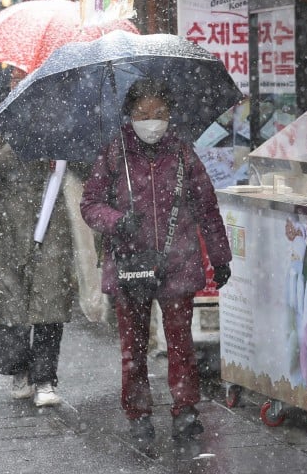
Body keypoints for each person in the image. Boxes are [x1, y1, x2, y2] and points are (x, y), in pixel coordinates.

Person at [80, 79, 232, 445]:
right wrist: (117, 221)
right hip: (130, 264)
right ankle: (138, 412)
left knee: (181, 341)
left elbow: (207, 208)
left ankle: (185, 408)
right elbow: (90, 205)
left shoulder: (183, 154)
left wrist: (220, 255)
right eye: (143, 114)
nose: (152, 121)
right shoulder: (114, 155)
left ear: (170, 115)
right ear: (129, 116)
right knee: (133, 347)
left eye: (159, 114)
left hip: (177, 262)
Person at [0, 67, 77, 408]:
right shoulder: (0, 117)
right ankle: (19, 370)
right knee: (12, 303)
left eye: (28, 75)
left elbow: (84, 164)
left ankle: (46, 377)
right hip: (9, 223)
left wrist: (61, 147)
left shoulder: (63, 115)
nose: (21, 82)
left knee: (49, 300)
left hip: (53, 221)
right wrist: (17, 143)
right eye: (17, 76)